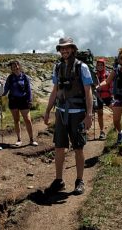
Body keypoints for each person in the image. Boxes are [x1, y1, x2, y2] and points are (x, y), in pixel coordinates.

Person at [43, 37, 93, 195]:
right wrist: (47, 110)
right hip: (61, 112)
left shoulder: (82, 67)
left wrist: (89, 114)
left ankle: (79, 180)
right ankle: (59, 180)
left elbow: (88, 92)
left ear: (72, 49)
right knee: (59, 147)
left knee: (78, 148)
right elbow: (55, 90)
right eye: (61, 48)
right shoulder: (57, 67)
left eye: (67, 48)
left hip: (77, 113)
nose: (64, 51)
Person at [2, 60, 38, 146]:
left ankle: (31, 140)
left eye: (16, 65)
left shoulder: (25, 77)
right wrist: (0, 93)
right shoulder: (10, 78)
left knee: (28, 120)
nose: (15, 67)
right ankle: (19, 140)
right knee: (16, 120)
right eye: (13, 66)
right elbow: (6, 89)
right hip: (13, 101)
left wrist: (30, 100)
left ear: (19, 66)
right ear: (11, 68)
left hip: (23, 100)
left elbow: (28, 90)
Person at [95, 58, 113, 140]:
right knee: (100, 114)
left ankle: (116, 127)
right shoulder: (94, 75)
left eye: (101, 65)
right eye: (98, 65)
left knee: (115, 110)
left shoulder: (107, 74)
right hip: (98, 97)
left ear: (104, 66)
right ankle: (102, 131)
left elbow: (111, 85)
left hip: (107, 96)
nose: (99, 66)